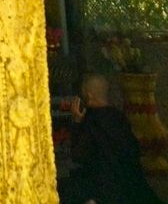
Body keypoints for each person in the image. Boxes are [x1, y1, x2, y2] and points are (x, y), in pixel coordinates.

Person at [59, 73, 162, 204]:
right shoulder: (119, 117)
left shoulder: (91, 119)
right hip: (129, 186)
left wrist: (77, 123)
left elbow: (79, 155)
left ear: (88, 94)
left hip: (102, 190)